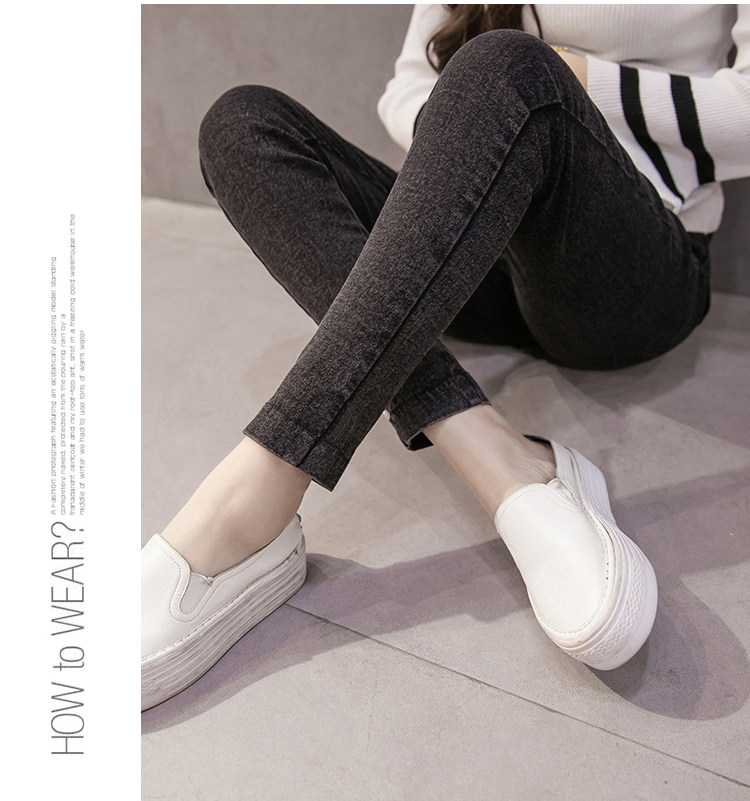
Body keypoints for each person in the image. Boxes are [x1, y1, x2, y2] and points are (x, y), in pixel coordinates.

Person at [141, 4, 750, 711]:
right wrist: (486, 126)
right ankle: (498, 453)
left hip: (626, 270)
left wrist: (568, 81)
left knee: (505, 65)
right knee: (242, 125)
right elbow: (405, 90)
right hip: (486, 248)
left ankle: (250, 502)